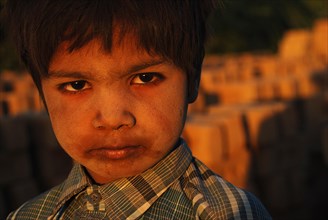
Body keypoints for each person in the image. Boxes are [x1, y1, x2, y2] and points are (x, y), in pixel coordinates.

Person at [4, 0, 271, 219]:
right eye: (77, 85)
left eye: (145, 78)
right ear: (41, 90)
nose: (112, 118)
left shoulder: (230, 213)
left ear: (193, 75)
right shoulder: (29, 215)